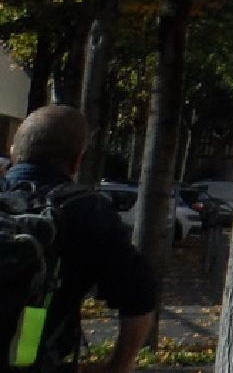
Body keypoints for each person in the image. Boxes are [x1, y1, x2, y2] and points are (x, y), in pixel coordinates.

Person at [3, 106, 158, 373]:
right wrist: (119, 365)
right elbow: (141, 295)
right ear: (77, 161)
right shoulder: (88, 211)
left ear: (13, 152)